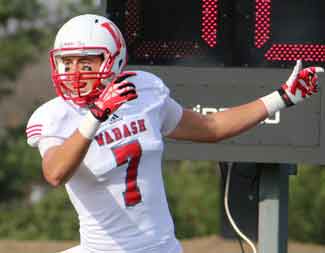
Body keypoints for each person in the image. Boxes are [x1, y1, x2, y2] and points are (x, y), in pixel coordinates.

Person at [25, 14, 323, 253]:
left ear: (113, 60)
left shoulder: (143, 91)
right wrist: (95, 116)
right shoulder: (55, 115)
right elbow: (54, 173)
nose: (75, 73)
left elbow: (212, 128)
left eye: (86, 62)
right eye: (68, 62)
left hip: (161, 247)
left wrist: (281, 97)